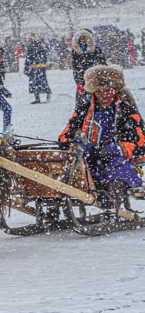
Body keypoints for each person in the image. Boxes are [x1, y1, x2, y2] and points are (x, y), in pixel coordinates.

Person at [58, 65, 145, 213]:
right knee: (66, 174)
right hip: (88, 160)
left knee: (116, 178)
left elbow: (140, 143)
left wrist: (114, 149)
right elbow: (65, 136)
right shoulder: (84, 110)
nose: (104, 95)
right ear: (93, 92)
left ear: (115, 90)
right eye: (100, 91)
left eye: (108, 90)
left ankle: (113, 207)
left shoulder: (127, 111)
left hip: (118, 161)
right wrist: (80, 146)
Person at [72, 29, 107, 107]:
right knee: (82, 104)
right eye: (81, 39)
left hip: (94, 80)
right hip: (82, 80)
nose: (83, 41)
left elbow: (103, 64)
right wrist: (78, 82)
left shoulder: (96, 50)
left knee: (96, 103)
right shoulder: (75, 52)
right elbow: (75, 68)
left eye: (85, 39)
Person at [24, 34, 52, 104]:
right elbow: (44, 57)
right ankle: (47, 94)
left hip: (34, 68)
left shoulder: (30, 47)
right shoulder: (41, 47)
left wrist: (27, 68)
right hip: (40, 68)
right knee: (42, 82)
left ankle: (38, 98)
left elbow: (28, 58)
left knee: (35, 83)